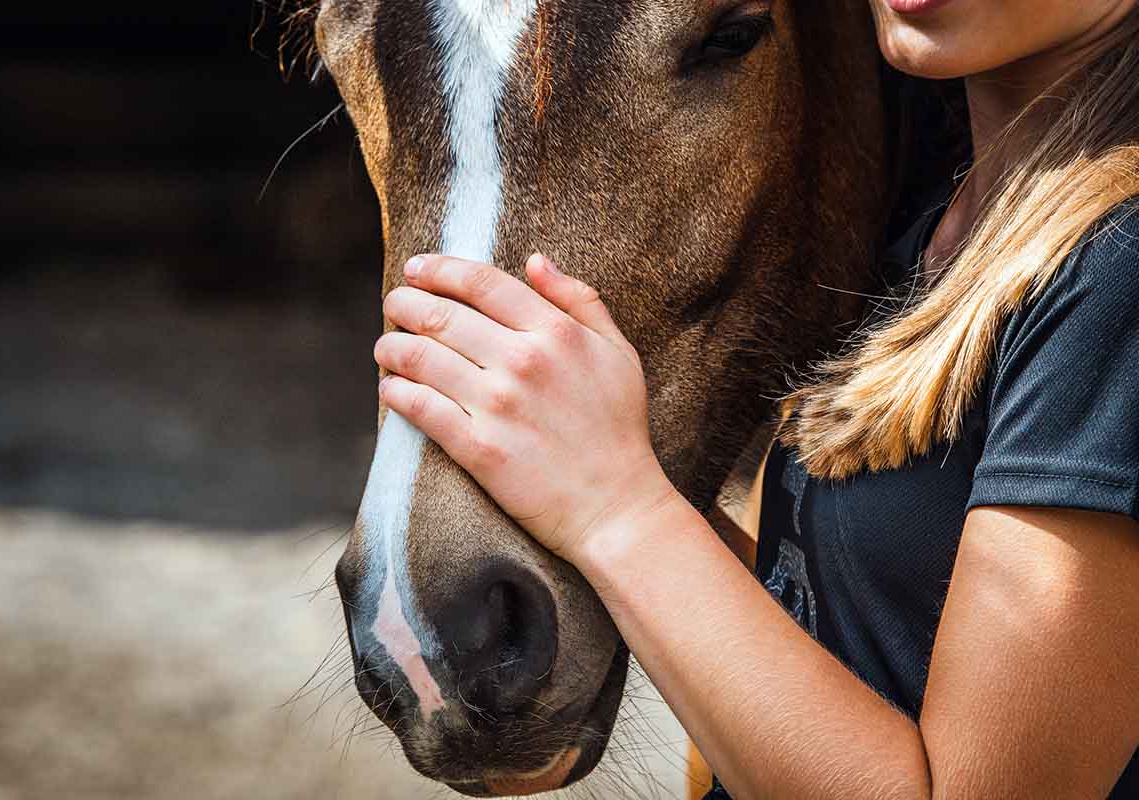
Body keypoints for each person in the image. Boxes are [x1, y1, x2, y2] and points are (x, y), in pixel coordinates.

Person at [371, 1, 1139, 797]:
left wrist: (616, 510)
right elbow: (856, 633)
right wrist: (568, 486)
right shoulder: (952, 228)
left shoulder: (1118, 274)